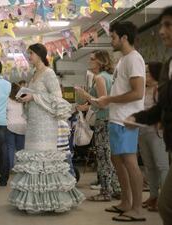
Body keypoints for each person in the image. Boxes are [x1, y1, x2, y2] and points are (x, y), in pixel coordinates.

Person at [9, 43, 84, 213]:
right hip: (34, 122)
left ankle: (50, 200)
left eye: (31, 54)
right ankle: (35, 200)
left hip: (45, 122)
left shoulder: (49, 73)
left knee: (45, 158)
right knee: (33, 159)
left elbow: (57, 97)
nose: (29, 57)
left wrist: (33, 97)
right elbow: (36, 95)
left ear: (40, 55)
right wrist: (25, 98)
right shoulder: (34, 74)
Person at [93, 21, 146, 222]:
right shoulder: (123, 60)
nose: (111, 40)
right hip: (116, 117)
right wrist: (107, 101)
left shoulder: (134, 59)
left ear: (124, 37)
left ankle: (137, 209)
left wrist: (109, 99)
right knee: (117, 160)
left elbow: (137, 93)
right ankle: (126, 201)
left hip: (127, 119)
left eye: (113, 36)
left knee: (130, 161)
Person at [128, 7, 172, 224]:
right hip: (153, 133)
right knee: (166, 206)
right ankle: (154, 196)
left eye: (168, 25)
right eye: (161, 25)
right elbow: (162, 106)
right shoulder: (169, 66)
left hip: (157, 134)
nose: (162, 31)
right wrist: (137, 118)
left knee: (167, 204)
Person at [75, 50, 121, 202]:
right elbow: (102, 102)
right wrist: (87, 107)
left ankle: (105, 191)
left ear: (100, 62)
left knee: (103, 158)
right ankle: (116, 188)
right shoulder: (109, 77)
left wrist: (85, 95)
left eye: (92, 59)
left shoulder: (100, 78)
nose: (89, 61)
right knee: (110, 156)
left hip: (104, 121)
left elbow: (102, 103)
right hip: (111, 119)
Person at [138, 62, 168, 212]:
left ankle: (164, 199)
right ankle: (153, 195)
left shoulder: (160, 90)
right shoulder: (143, 90)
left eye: (148, 72)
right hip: (142, 132)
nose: (145, 75)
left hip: (156, 133)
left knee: (161, 166)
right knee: (149, 166)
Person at [6, 83, 26, 169]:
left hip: (10, 126)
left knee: (10, 148)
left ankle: (11, 167)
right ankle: (21, 166)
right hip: (22, 126)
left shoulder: (6, 100)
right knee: (21, 149)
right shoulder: (22, 101)